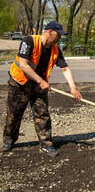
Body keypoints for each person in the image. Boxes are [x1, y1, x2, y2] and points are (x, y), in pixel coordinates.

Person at [1, 21, 82, 156]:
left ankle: (46, 144)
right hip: (20, 83)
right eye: (58, 35)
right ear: (50, 32)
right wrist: (41, 81)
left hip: (39, 85)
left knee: (42, 114)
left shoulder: (55, 49)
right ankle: (8, 141)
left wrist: (73, 88)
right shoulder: (29, 41)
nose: (60, 38)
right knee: (14, 114)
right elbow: (24, 65)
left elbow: (65, 69)